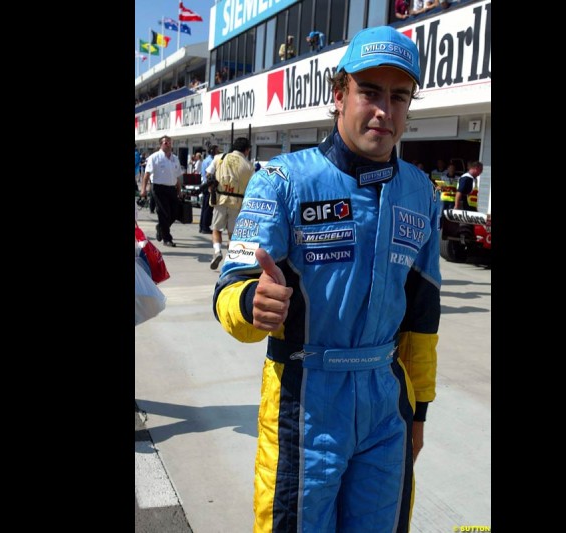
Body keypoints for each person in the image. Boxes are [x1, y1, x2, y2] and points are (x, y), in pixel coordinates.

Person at [212, 25, 441, 531]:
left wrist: (419, 411)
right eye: (370, 92)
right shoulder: (283, 181)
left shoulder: (421, 193)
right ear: (338, 96)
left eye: (399, 96)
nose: (384, 109)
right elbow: (230, 288)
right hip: (304, 401)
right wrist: (251, 302)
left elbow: (423, 317)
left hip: (387, 407)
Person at [206, 137, 253, 269]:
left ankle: (217, 251)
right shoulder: (249, 166)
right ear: (247, 150)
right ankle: (232, 261)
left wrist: (211, 186)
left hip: (220, 200)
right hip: (238, 202)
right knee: (233, 234)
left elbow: (208, 173)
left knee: (216, 229)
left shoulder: (219, 158)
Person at [140, 135, 182, 247]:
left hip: (171, 189)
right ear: (161, 144)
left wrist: (179, 190)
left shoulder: (175, 158)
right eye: (165, 142)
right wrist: (143, 190)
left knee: (175, 213)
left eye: (170, 142)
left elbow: (177, 177)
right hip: (159, 189)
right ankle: (167, 238)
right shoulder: (155, 157)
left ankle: (160, 227)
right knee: (164, 213)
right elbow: (146, 175)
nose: (168, 144)